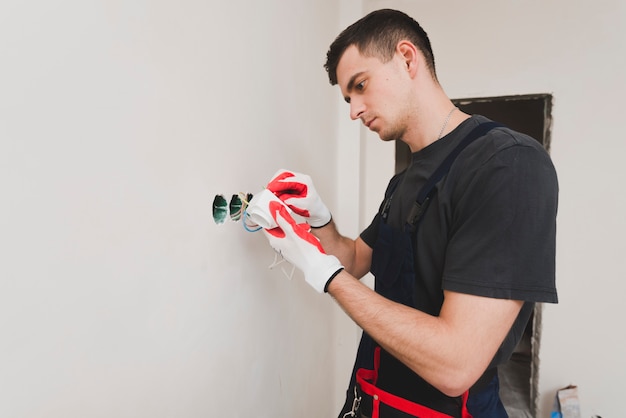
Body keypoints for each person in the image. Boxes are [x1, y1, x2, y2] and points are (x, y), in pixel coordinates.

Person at [256, 8, 558, 418]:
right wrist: (318, 218)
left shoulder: (507, 165)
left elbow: (457, 364)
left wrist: (324, 275)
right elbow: (357, 259)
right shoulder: (404, 182)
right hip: (372, 400)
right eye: (348, 98)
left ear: (407, 58)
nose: (353, 110)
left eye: (360, 86)